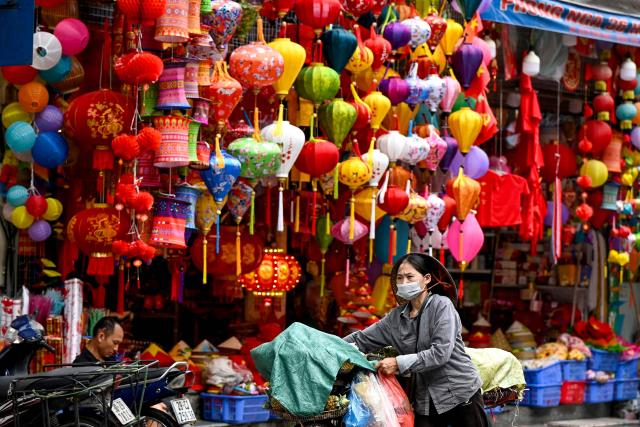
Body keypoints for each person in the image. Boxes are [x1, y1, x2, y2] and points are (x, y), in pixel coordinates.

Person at [344, 253, 488, 427]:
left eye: (410, 277)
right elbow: (361, 339)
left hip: (460, 393)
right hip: (425, 400)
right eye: (400, 278)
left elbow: (440, 353)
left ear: (426, 279)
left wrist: (398, 362)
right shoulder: (395, 318)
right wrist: (328, 345)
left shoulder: (441, 306)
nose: (404, 283)